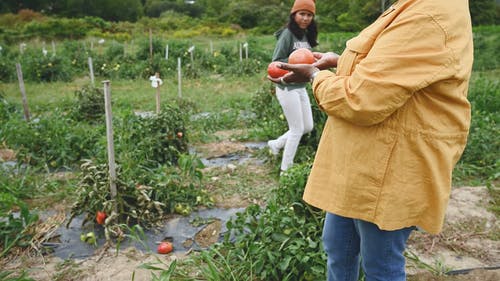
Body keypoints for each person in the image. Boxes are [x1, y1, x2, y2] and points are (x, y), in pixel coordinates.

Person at [268, 0, 473, 280]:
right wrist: (343, 63)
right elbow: (395, 69)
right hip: (362, 161)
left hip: (389, 167)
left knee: (380, 264)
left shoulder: (430, 15)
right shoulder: (414, 6)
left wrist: (316, 77)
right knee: (338, 247)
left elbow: (361, 99)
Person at [267, 0, 318, 173]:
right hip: (287, 88)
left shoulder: (306, 35)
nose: (305, 18)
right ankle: (285, 171)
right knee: (296, 129)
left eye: (309, 15)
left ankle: (276, 144)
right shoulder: (287, 34)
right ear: (294, 15)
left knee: (308, 127)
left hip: (301, 86)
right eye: (302, 14)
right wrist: (296, 62)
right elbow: (276, 62)